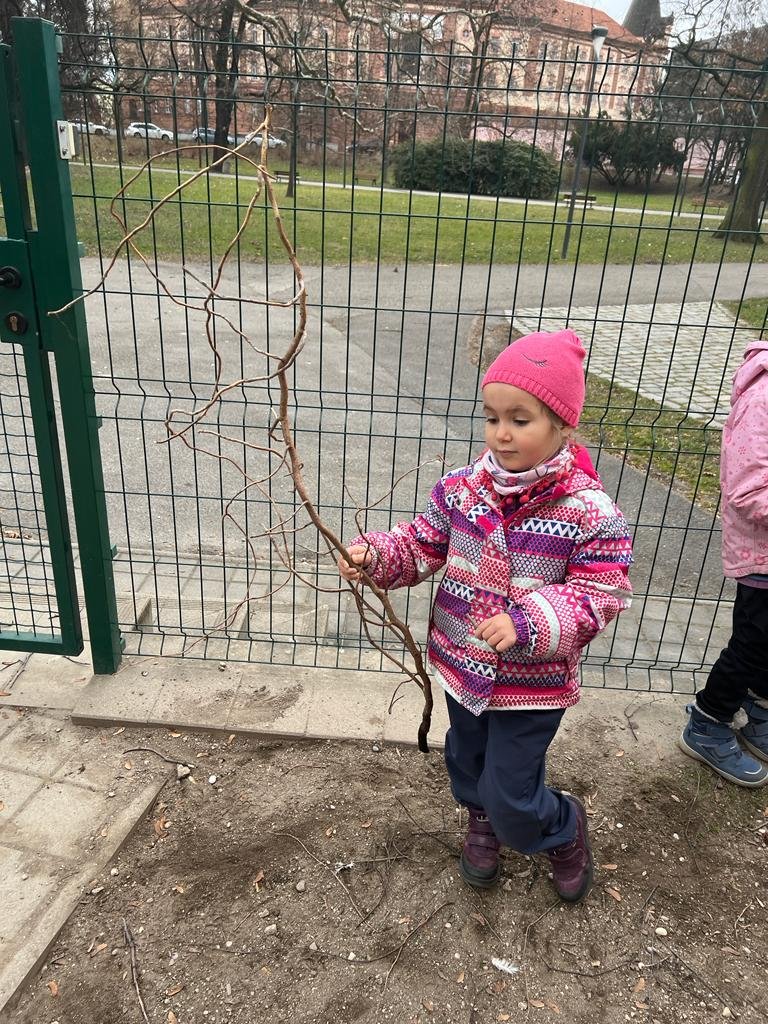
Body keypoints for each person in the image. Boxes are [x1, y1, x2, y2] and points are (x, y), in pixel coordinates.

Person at [338, 329, 633, 901]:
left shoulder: (590, 513)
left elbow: (599, 593)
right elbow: (424, 542)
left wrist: (527, 622)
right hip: (463, 665)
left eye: (520, 420)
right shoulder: (462, 489)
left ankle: (559, 826)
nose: (501, 433)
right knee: (466, 759)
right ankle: (482, 820)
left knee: (512, 791)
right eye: (492, 417)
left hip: (532, 684)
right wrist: (378, 556)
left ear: (563, 426)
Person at [679, 340, 768, 787]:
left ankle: (758, 708)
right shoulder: (763, 397)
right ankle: (708, 721)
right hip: (761, 554)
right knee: (753, 641)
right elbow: (747, 488)